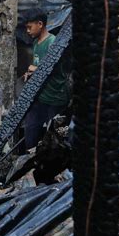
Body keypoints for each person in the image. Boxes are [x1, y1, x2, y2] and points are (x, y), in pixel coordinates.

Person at [22, 8, 70, 150]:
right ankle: (28, 162)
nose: (28, 31)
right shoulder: (37, 44)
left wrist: (33, 69)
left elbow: (51, 68)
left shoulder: (53, 43)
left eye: (30, 27)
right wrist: (30, 74)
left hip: (55, 97)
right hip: (40, 96)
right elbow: (39, 66)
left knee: (55, 138)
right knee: (31, 131)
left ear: (40, 24)